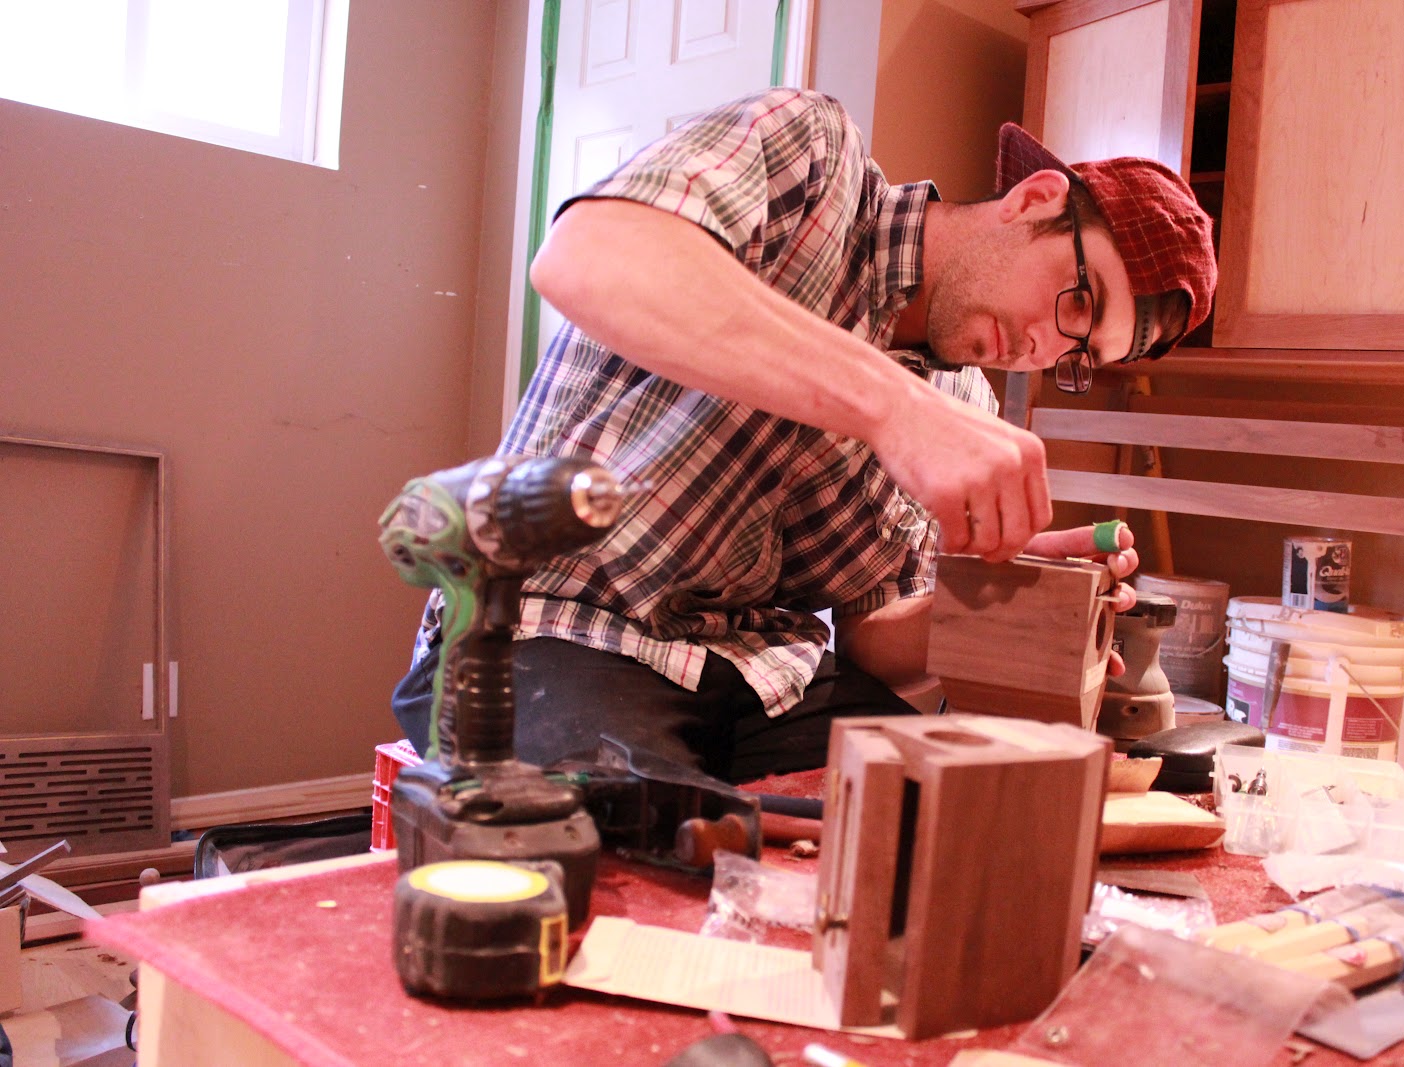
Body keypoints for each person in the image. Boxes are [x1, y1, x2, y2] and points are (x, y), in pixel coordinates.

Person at [393, 87, 1217, 783]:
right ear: (1034, 200)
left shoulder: (965, 403)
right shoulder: (814, 156)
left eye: (1079, 354)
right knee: (633, 848)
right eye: (1077, 301)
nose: (1046, 347)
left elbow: (872, 638)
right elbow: (587, 256)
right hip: (557, 628)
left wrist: (1013, 607)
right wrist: (894, 407)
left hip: (760, 675)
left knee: (959, 810)